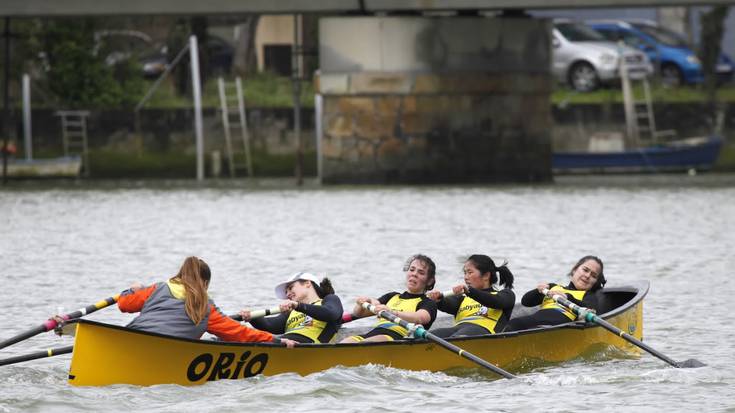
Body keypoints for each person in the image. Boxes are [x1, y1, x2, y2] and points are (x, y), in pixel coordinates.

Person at [113, 256, 297, 347]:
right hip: (167, 349)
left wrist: (132, 290)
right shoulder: (205, 306)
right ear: (205, 283)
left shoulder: (157, 288)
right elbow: (239, 333)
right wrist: (276, 341)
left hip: (130, 338)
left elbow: (124, 304)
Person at [340, 254, 438, 343]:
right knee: (346, 341)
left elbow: (420, 318)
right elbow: (359, 314)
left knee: (369, 342)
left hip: (398, 338)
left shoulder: (428, 303)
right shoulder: (391, 296)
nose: (414, 274)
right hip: (373, 333)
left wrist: (392, 312)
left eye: (421, 273)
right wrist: (362, 304)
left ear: (429, 281)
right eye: (412, 270)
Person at [504, 255, 606, 332]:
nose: (587, 276)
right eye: (585, 270)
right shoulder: (553, 287)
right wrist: (538, 291)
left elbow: (591, 308)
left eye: (593, 275)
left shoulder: (589, 295)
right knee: (513, 324)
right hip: (537, 320)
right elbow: (526, 302)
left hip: (556, 325)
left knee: (520, 325)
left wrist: (567, 297)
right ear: (575, 269)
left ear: (596, 281)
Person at [239, 272, 343, 344]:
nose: (288, 294)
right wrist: (252, 317)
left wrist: (298, 306)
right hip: (285, 342)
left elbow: (330, 314)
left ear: (307, 283)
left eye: (290, 288)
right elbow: (269, 325)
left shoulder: (329, 300)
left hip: (309, 345)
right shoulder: (291, 312)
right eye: (286, 292)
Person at [426, 255, 515, 338]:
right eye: (465, 273)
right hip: (458, 329)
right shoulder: (463, 298)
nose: (466, 277)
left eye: (470, 272)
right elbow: (449, 304)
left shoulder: (506, 294)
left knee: (463, 334)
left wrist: (470, 291)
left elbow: (496, 301)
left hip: (484, 332)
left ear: (486, 275)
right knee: (431, 335)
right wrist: (438, 300)